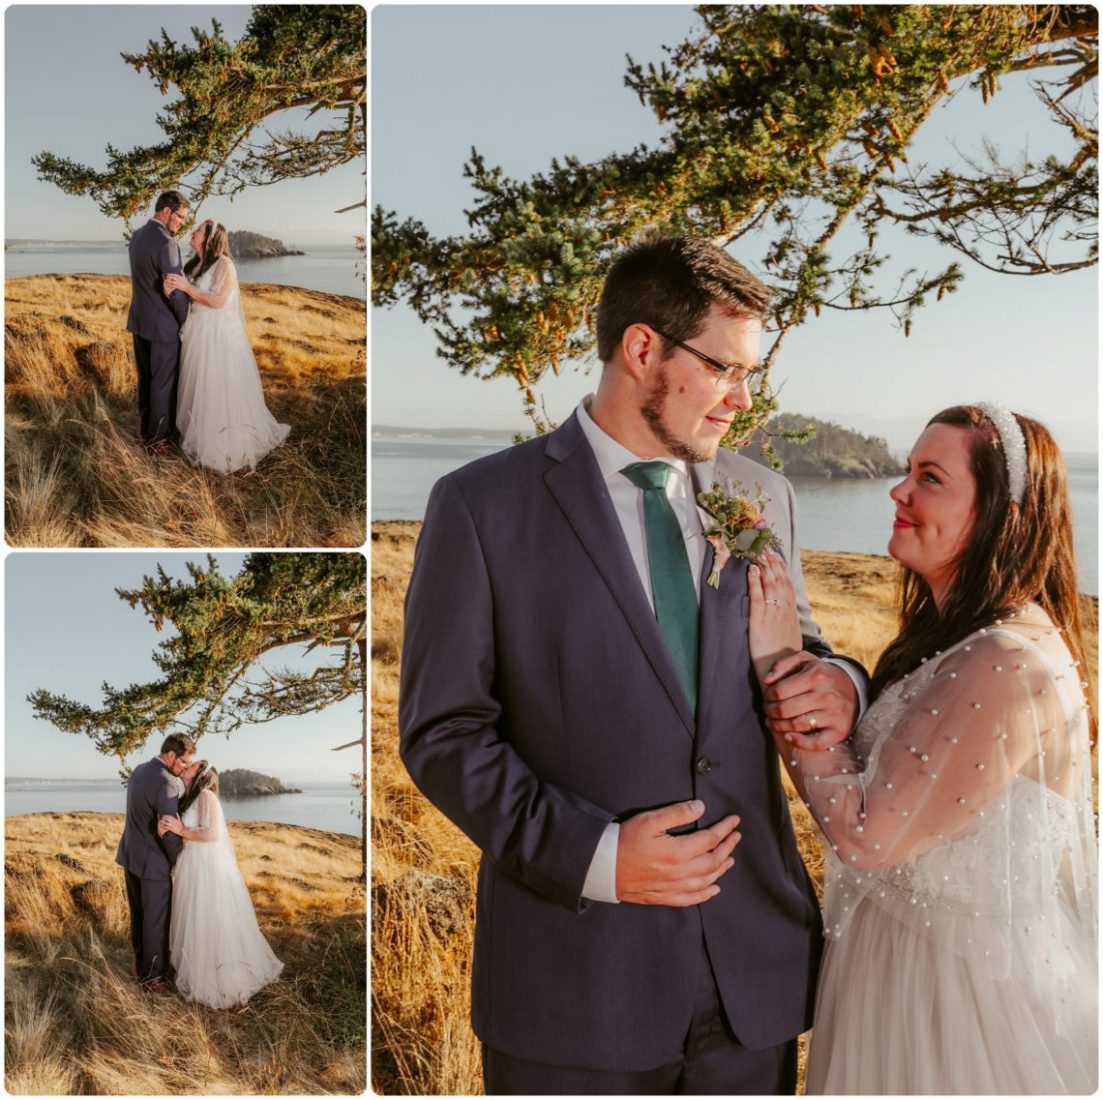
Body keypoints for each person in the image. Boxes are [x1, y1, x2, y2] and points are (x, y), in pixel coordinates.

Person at [399, 236, 868, 1094]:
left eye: (749, 372)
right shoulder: (479, 505)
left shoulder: (763, 496)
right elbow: (441, 734)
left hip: (748, 981)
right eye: (724, 368)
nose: (742, 398)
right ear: (641, 348)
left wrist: (840, 683)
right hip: (573, 983)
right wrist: (599, 856)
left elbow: (800, 648)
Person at [748, 404, 1097, 1093]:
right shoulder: (960, 638)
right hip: (905, 970)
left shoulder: (1003, 659)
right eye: (907, 471)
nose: (898, 491)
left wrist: (778, 665)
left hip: (953, 1004)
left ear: (1003, 516)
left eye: (929, 478)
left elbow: (868, 836)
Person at [162, 220, 290, 473]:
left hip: (217, 336)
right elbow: (187, 298)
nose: (193, 232)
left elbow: (219, 301)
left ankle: (221, 442)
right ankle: (195, 432)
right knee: (197, 382)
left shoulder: (225, 264)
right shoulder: (193, 264)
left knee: (215, 384)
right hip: (196, 332)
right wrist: (172, 291)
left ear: (209, 238)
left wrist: (186, 286)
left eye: (198, 230)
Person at [158, 763, 284, 1008]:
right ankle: (196, 969)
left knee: (209, 915)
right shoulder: (188, 798)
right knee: (194, 917)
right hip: (191, 863)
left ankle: (218, 977)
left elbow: (212, 834)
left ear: (201, 776)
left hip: (206, 866)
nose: (186, 766)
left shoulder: (206, 796)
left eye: (192, 766)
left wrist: (181, 829)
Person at [115, 732, 196, 989]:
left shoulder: (138, 771)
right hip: (153, 864)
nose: (183, 768)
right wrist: (179, 860)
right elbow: (170, 830)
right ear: (171, 755)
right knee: (155, 921)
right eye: (183, 762)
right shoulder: (167, 784)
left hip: (130, 856)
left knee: (138, 916)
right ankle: (153, 978)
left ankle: (141, 969)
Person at [126, 190, 191, 452]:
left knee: (146, 379)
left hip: (139, 322)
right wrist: (187, 319)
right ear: (166, 211)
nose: (182, 223)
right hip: (163, 327)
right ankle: (158, 439)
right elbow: (174, 288)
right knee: (163, 383)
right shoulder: (167, 243)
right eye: (180, 217)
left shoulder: (137, 236)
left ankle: (145, 432)